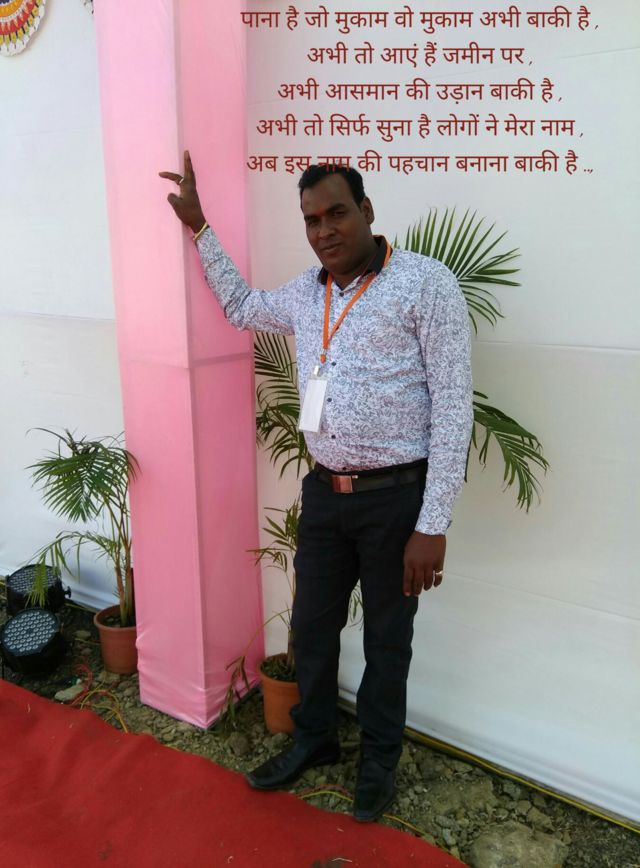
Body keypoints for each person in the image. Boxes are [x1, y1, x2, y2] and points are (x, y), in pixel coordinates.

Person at [160, 152, 473, 822]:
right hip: (326, 495)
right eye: (311, 220)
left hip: (396, 501)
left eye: (336, 213)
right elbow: (243, 306)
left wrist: (433, 523)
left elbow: (453, 408)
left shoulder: (426, 284)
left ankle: (378, 762)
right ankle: (315, 739)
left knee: (388, 641)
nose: (324, 230)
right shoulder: (307, 293)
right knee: (311, 626)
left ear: (367, 210)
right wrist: (199, 227)